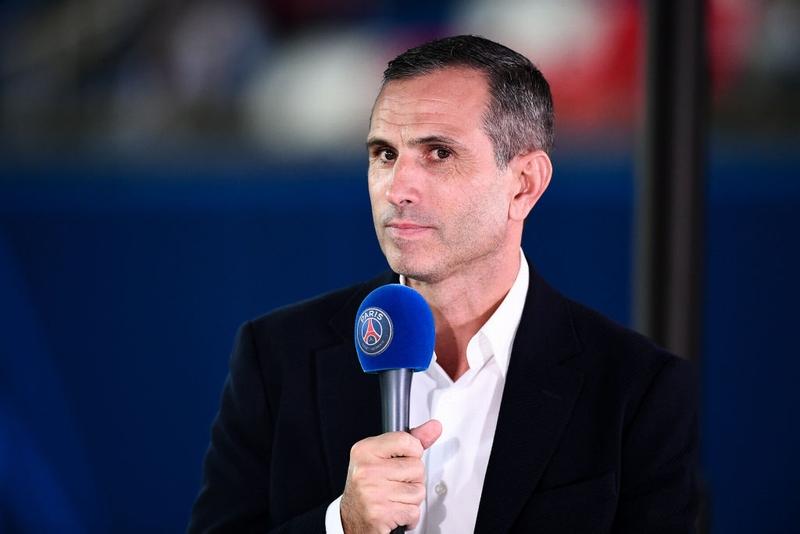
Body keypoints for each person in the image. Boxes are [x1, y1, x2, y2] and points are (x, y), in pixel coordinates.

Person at [188, 35, 698, 533]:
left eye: (438, 153)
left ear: (524, 185)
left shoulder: (635, 389)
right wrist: (340, 525)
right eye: (385, 154)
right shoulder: (277, 357)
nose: (398, 189)